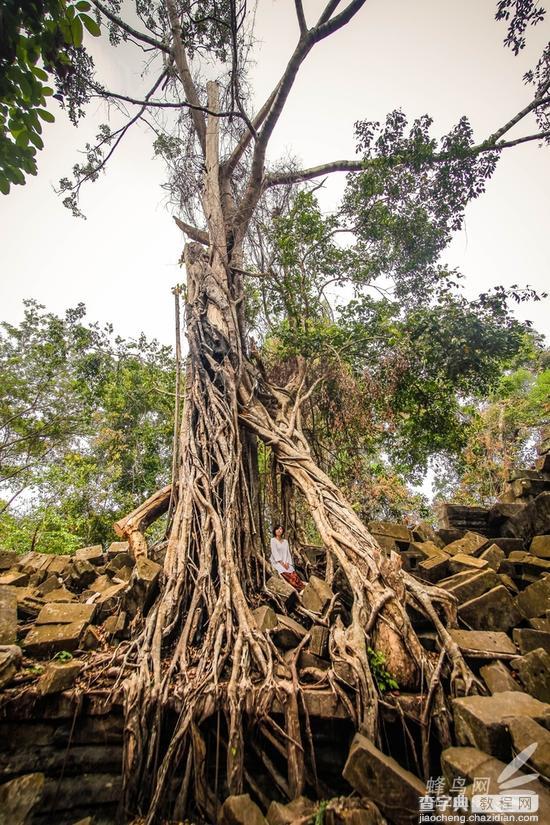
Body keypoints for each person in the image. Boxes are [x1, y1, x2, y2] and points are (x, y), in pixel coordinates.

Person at [270, 525, 305, 592]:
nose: (279, 530)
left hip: (286, 562)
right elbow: (274, 552)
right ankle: (296, 589)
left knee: (293, 573)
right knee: (284, 573)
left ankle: (301, 588)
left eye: (280, 529)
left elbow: (287, 553)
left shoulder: (285, 541)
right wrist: (282, 563)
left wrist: (287, 563)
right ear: (275, 531)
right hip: (277, 562)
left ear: (282, 531)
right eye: (277, 529)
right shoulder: (273, 540)